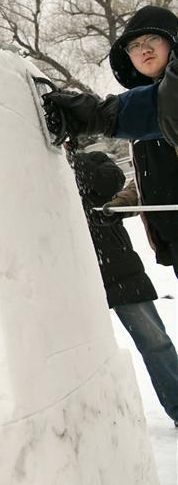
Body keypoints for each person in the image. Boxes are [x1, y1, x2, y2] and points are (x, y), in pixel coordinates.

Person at [44, 6, 178, 276]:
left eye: (154, 40)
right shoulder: (143, 119)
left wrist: (99, 115)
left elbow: (170, 105)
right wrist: (127, 201)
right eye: (135, 45)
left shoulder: (158, 107)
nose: (144, 50)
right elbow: (157, 173)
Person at [71, 151, 178, 427]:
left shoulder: (89, 160)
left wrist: (71, 162)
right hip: (74, 275)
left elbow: (112, 181)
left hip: (118, 269)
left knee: (155, 342)